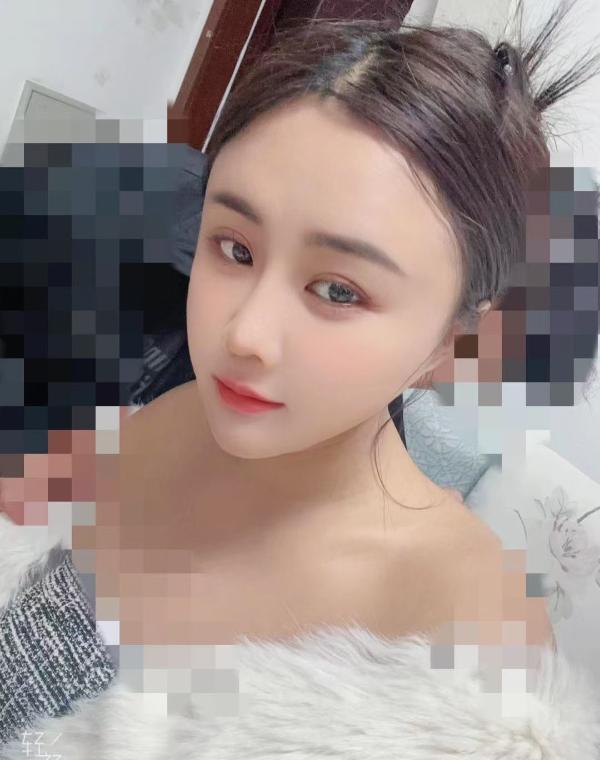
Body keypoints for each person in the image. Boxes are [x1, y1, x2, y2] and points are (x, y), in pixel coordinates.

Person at [2, 1, 600, 756]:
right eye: (235, 249)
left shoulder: (473, 642)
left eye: (339, 290)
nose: (243, 335)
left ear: (455, 338)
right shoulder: (175, 418)